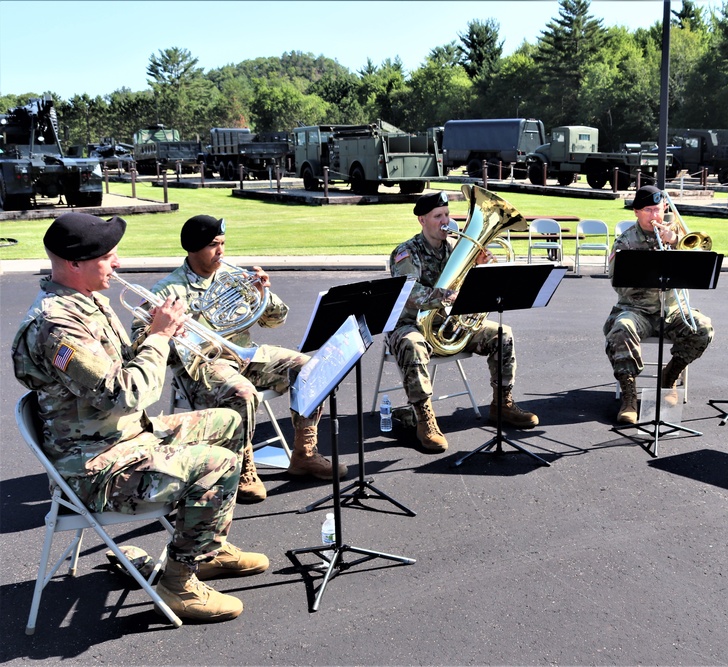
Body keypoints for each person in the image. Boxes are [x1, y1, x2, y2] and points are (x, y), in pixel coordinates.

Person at [11, 212, 268, 623]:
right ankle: (178, 582)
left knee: (229, 421)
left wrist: (153, 334)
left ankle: (207, 548)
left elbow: (122, 367)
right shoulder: (57, 326)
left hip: (125, 437)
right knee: (217, 464)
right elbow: (124, 395)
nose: (118, 264)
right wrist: (161, 338)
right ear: (74, 264)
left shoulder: (89, 304)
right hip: (97, 466)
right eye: (108, 257)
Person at [135, 215, 342, 504]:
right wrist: (167, 330)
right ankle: (243, 469)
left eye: (222, 243)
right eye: (213, 245)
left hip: (247, 355)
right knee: (243, 393)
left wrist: (263, 294)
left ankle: (304, 454)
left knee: (312, 369)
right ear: (193, 249)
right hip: (203, 368)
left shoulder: (233, 277)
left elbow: (276, 321)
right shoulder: (168, 290)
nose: (221, 251)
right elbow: (141, 340)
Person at [388, 191, 538, 452]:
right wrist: (444, 296)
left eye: (447, 214)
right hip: (408, 325)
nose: (446, 221)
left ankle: (502, 403)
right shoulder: (405, 252)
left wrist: (479, 268)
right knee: (413, 344)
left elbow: (469, 292)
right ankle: (424, 419)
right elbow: (407, 294)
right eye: (438, 216)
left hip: (445, 325)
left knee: (502, 333)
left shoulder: (454, 249)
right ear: (422, 220)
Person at [604, 185, 715, 424]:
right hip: (637, 310)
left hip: (672, 309)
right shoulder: (626, 242)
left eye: (658, 209)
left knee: (703, 328)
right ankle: (629, 395)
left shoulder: (676, 234)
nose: (655, 215)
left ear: (665, 207)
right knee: (621, 329)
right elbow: (618, 283)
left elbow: (700, 266)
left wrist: (675, 242)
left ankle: (669, 376)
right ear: (636, 212)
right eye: (648, 210)